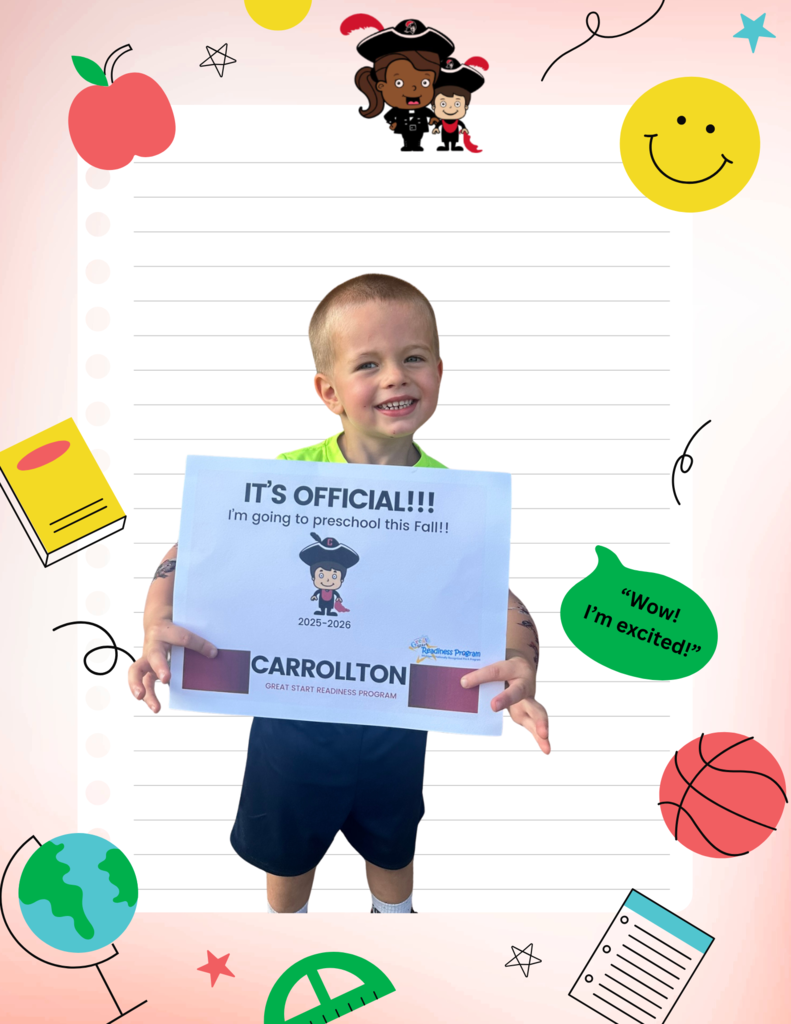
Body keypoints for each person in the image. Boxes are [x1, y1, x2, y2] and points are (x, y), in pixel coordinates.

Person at [127, 273, 551, 914]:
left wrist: (521, 661)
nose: (396, 377)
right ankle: (287, 936)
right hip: (289, 718)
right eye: (368, 364)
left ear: (440, 371)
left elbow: (495, 598)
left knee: (393, 843)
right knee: (286, 854)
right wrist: (157, 620)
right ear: (329, 392)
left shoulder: (457, 500)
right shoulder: (283, 480)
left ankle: (395, 923)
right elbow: (192, 553)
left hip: (399, 716)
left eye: (414, 357)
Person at [342, 16, 455, 151]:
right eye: (399, 83)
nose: (414, 88)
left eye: (425, 82)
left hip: (419, 128)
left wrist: (433, 118)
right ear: (382, 86)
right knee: (407, 137)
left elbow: (429, 114)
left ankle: (416, 145)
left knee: (417, 137)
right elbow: (389, 116)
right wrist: (393, 122)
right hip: (404, 127)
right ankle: (408, 145)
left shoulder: (423, 109)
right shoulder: (397, 110)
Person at [430, 57, 487, 151]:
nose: (450, 108)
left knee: (454, 139)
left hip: (454, 132)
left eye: (457, 104)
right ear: (433, 106)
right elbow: (439, 124)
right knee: (445, 138)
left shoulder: (457, 121)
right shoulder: (442, 121)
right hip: (444, 132)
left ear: (466, 106)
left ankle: (453, 146)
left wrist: (463, 128)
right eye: (443, 104)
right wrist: (436, 128)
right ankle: (446, 146)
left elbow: (460, 124)